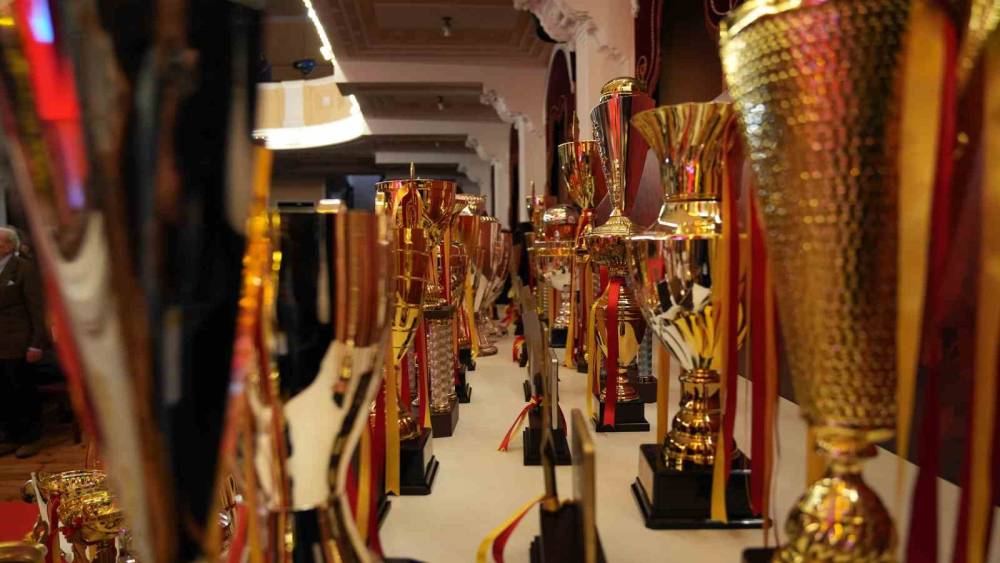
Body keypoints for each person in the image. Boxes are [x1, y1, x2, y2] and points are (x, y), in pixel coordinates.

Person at [0, 226, 46, 458]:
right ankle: (11, 436)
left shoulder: (24, 269)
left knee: (22, 391)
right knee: (4, 393)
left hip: (18, 341)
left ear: (9, 246)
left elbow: (37, 309)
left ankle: (31, 438)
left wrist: (36, 343)